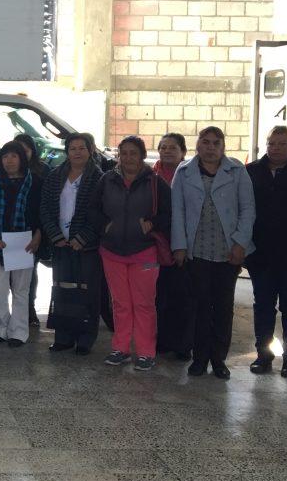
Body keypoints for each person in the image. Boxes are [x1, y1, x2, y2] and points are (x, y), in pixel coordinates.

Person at [171, 126, 255, 380]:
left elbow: (248, 209)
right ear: (197, 145)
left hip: (227, 252)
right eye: (205, 142)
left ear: (223, 146)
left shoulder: (237, 171)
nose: (210, 148)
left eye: (216, 143)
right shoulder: (184, 172)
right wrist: (179, 246)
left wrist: (240, 243)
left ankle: (219, 359)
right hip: (196, 251)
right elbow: (178, 211)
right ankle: (199, 358)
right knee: (199, 306)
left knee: (223, 307)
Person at [91, 136, 171, 371]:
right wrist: (105, 226)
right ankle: (121, 348)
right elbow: (92, 210)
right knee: (120, 303)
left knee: (144, 303)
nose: (128, 158)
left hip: (144, 252)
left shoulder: (155, 182)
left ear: (142, 155)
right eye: (123, 153)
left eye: (133, 153)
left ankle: (146, 352)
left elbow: (169, 213)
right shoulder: (107, 180)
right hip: (112, 252)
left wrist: (151, 224)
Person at [243, 126, 287, 377]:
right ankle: (263, 356)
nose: (276, 148)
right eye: (272, 143)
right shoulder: (251, 172)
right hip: (260, 254)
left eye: (283, 144)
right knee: (263, 306)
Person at [40, 132, 104, 356]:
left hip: (86, 247)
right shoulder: (55, 176)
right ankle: (63, 337)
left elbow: (101, 213)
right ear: (67, 151)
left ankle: (85, 339)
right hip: (61, 244)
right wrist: (56, 236)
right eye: (73, 148)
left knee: (88, 292)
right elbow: (44, 208)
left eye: (82, 148)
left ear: (90, 150)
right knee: (62, 290)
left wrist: (82, 238)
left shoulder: (99, 178)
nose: (77, 152)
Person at [0, 141, 42, 347]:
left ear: (22, 159)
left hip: (24, 243)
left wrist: (38, 235)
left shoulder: (34, 182)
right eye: (5, 156)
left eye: (14, 156)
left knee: (21, 290)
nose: (9, 161)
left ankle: (19, 332)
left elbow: (41, 212)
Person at [152, 132, 193, 360]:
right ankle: (162, 341)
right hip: (156, 246)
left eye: (173, 148)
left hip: (184, 245)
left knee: (183, 298)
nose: (167, 151)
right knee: (159, 298)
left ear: (183, 152)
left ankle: (183, 345)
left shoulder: (190, 175)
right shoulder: (150, 176)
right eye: (163, 147)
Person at [15, 133, 47, 327]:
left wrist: (39, 232)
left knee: (30, 272)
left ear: (32, 152)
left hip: (32, 231)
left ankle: (29, 308)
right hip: (9, 233)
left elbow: (45, 205)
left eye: (24, 151)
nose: (19, 155)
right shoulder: (4, 172)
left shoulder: (42, 172)